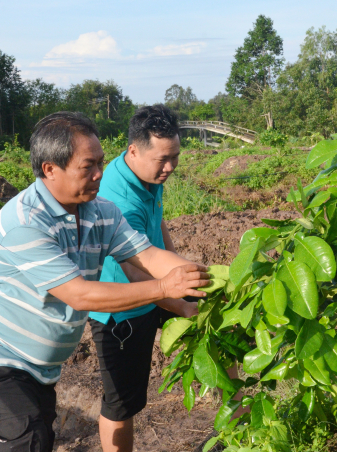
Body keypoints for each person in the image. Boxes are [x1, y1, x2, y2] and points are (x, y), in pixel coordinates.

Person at [0, 111, 210, 452]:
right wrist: (163, 289)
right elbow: (79, 294)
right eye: (88, 166)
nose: (100, 174)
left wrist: (209, 280)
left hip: (39, 363)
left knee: (35, 438)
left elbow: (149, 256)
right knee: (27, 440)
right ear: (50, 169)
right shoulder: (24, 222)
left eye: (101, 162)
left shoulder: (100, 211)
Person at [88, 104, 195, 452]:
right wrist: (182, 303)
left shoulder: (150, 174)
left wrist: (178, 268)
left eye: (175, 157)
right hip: (122, 307)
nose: (169, 167)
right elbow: (136, 275)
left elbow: (159, 221)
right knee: (122, 401)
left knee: (217, 317)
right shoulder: (115, 197)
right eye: (162, 159)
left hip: (156, 284)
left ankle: (240, 424)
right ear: (134, 150)